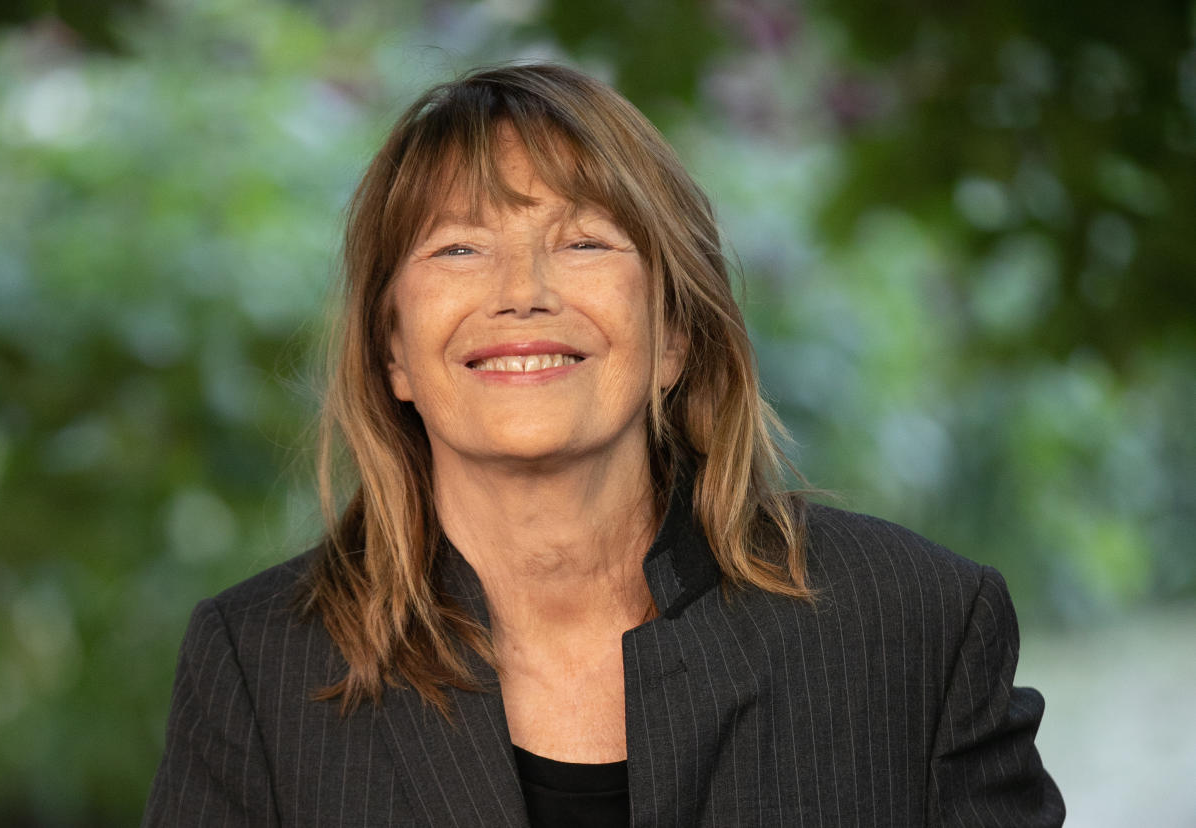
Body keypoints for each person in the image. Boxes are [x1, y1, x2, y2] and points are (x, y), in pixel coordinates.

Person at [142, 63, 1064, 827]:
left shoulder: (917, 624)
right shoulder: (259, 667)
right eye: (458, 249)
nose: (521, 293)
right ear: (393, 352)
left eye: (583, 241)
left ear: (673, 333)